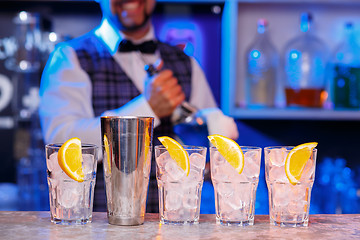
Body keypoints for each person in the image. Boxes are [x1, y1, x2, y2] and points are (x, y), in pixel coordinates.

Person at [39, 0, 238, 213]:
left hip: (176, 225)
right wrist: (148, 109)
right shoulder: (69, 58)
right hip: (103, 227)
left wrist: (210, 161)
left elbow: (208, 145)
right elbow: (61, 147)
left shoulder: (186, 63)